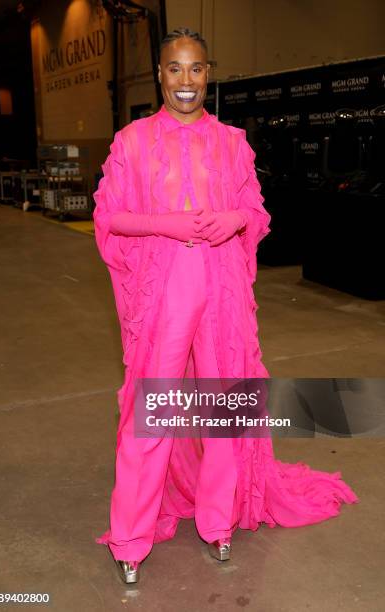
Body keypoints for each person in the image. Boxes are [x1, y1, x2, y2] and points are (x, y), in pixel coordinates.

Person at [92, 28, 358, 584]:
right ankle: (131, 536)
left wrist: (232, 220)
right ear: (159, 74)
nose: (185, 82)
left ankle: (218, 522)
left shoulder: (233, 142)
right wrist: (164, 225)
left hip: (222, 291)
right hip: (162, 293)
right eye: (173, 69)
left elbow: (255, 212)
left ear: (208, 73)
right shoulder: (132, 142)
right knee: (154, 412)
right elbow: (110, 217)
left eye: (195, 70)